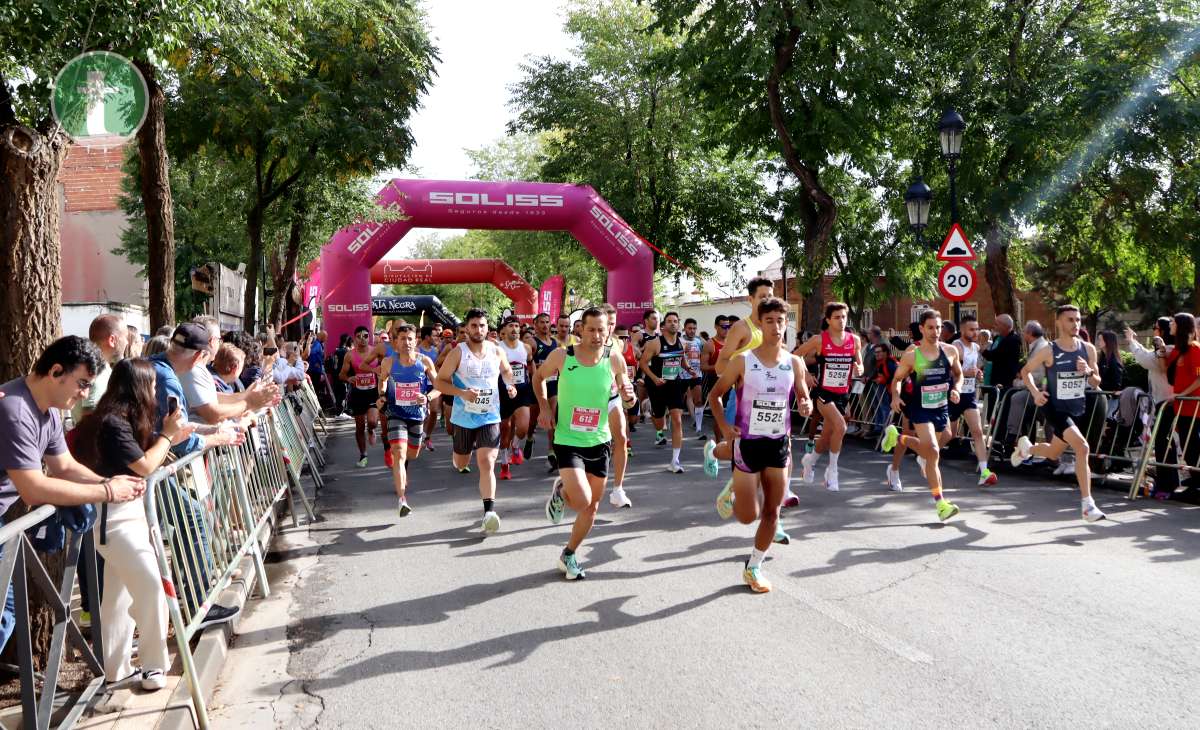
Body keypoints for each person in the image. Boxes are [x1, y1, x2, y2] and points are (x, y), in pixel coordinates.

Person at [0, 337, 148, 655]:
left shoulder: (48, 410)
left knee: (5, 616)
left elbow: (64, 466)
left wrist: (109, 480)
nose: (84, 394)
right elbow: (33, 487)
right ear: (56, 371)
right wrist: (107, 490)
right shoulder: (14, 410)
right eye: (81, 383)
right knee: (4, 617)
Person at [71, 359, 196, 689]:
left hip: (125, 517)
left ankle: (116, 668)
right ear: (140, 387)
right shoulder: (113, 422)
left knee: (117, 599)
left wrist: (174, 435)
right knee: (151, 586)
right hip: (114, 521)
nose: (157, 391)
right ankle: (154, 665)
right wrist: (168, 437)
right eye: (153, 385)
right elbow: (144, 466)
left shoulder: (120, 420)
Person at [707, 298, 811, 593]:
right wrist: (726, 429)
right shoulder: (743, 361)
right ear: (760, 324)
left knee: (773, 512)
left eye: (781, 320)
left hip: (779, 444)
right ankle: (718, 458)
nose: (777, 326)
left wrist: (805, 405)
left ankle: (754, 567)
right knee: (746, 516)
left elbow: (803, 396)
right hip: (747, 445)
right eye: (770, 321)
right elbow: (715, 395)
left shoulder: (794, 362)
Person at [537, 307, 636, 579]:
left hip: (599, 440)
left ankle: (568, 553)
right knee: (581, 501)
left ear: (609, 331)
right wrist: (544, 406)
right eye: (591, 329)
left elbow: (628, 398)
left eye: (602, 330)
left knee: (592, 507)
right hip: (568, 439)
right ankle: (563, 490)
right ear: (580, 329)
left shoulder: (615, 359)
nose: (596, 335)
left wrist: (631, 397)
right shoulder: (562, 355)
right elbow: (538, 377)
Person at [1009, 305, 1108, 522]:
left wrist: (1089, 372)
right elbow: (1025, 372)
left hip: (1077, 408)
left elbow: (1097, 381)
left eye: (1078, 320)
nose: (1076, 324)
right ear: (1059, 323)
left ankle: (1026, 449)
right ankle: (1087, 506)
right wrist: (1035, 393)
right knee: (1082, 448)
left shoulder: (1088, 349)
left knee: (1053, 453)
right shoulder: (1049, 350)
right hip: (1055, 407)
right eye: (1070, 320)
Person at [434, 309, 519, 535]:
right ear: (466, 329)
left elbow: (507, 372)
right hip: (463, 417)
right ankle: (459, 458)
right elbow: (440, 383)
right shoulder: (457, 353)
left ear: (487, 328)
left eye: (482, 325)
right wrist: (461, 393)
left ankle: (489, 512)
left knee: (487, 462)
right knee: (463, 462)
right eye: (474, 326)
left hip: (490, 415)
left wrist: (510, 386)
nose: (478, 330)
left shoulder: (496, 351)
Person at [881, 310, 964, 522]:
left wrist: (957, 389)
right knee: (933, 452)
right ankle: (941, 504)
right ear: (921, 329)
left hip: (941, 407)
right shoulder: (912, 355)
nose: (935, 332)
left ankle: (897, 437)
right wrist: (896, 396)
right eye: (930, 328)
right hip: (920, 408)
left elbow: (958, 374)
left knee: (935, 447)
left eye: (938, 328)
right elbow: (897, 379)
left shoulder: (950, 351)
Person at [795, 302, 861, 492]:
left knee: (826, 437)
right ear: (828, 320)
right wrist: (806, 374)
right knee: (841, 426)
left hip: (843, 393)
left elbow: (860, 364)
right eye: (837, 317)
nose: (841, 321)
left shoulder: (854, 340)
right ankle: (832, 471)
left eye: (843, 317)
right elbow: (796, 355)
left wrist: (859, 368)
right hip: (824, 393)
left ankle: (810, 460)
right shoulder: (820, 340)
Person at [376, 324, 439, 518]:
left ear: (416, 341)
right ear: (396, 342)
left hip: (417, 415)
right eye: (402, 339)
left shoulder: (425, 361)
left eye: (410, 339)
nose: (406, 342)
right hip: (396, 413)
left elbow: (440, 387)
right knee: (399, 452)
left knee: (412, 453)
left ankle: (403, 470)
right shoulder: (388, 362)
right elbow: (383, 381)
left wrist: (427, 397)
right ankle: (402, 500)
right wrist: (382, 393)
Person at [185, 316, 280, 425]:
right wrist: (249, 403)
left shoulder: (200, 369)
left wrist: (250, 395)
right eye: (219, 339)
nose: (220, 343)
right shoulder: (192, 369)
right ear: (211, 341)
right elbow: (212, 414)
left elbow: (216, 398)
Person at [638, 311, 697, 473]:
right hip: (656, 384)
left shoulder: (681, 343)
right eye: (670, 321)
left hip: (674, 384)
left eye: (675, 321)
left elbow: (682, 361)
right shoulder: (655, 343)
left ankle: (675, 460)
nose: (673, 323)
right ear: (663, 326)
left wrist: (689, 369)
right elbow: (642, 364)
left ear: (679, 325)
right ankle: (650, 407)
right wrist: (655, 378)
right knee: (659, 424)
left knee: (677, 420)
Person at [1125, 319, 1174, 498]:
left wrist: (1131, 341)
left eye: (1155, 328)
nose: (1153, 331)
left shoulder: (1167, 349)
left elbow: (1146, 360)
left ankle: (1168, 483)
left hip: (1168, 401)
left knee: (1164, 443)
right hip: (1163, 401)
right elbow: (1148, 357)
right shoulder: (1162, 349)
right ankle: (1167, 481)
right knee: (1163, 443)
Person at [949, 315, 998, 486]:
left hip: (969, 395)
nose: (975, 332)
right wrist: (965, 373)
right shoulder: (956, 347)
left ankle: (984, 471)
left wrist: (978, 374)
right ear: (962, 330)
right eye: (972, 329)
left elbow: (974, 370)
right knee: (949, 434)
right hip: (955, 394)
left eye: (977, 329)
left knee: (977, 432)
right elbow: (949, 371)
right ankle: (927, 456)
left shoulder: (976, 347)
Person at [1157, 313, 1200, 504]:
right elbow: (1166, 371)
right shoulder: (1176, 351)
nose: (1170, 325)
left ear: (1181, 326)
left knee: (1192, 447)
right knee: (1186, 445)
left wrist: (1181, 394)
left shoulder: (1195, 350)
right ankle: (1195, 480)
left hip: (1193, 407)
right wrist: (1160, 352)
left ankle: (1196, 483)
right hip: (1181, 407)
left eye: (1173, 323)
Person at [600, 303, 633, 508]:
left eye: (612, 323)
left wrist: (627, 391)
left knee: (621, 438)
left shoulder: (617, 344)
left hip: (612, 398)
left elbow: (622, 374)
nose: (610, 328)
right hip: (589, 403)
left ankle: (618, 490)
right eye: (607, 323)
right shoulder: (580, 344)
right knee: (593, 448)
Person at [71, 314, 128, 424]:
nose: (127, 342)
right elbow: (90, 417)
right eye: (125, 337)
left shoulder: (94, 366)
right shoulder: (97, 371)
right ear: (112, 340)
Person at [496, 317, 534, 481]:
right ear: (504, 330)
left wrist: (534, 381)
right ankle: (504, 463)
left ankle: (516, 445)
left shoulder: (526, 347)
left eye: (517, 326)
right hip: (503, 392)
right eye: (511, 326)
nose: (514, 329)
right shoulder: (497, 348)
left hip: (522, 390)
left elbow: (531, 365)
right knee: (505, 430)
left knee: (524, 427)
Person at [340, 326, 381, 467]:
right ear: (355, 338)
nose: (362, 339)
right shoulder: (349, 355)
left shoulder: (375, 352)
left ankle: (371, 430)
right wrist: (348, 378)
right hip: (357, 393)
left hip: (373, 392)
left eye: (365, 336)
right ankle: (363, 455)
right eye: (359, 336)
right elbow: (342, 374)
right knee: (359, 426)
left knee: (372, 421)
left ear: (369, 337)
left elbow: (386, 366)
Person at [525, 313, 558, 465]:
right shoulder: (531, 342)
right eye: (542, 322)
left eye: (547, 322)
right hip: (537, 385)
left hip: (552, 385)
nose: (545, 325)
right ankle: (530, 437)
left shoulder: (555, 343)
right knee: (532, 420)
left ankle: (551, 451)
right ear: (535, 324)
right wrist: (537, 368)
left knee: (552, 416)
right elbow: (526, 363)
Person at [981, 313, 1022, 393]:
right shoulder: (998, 338)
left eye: (996, 324)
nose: (994, 326)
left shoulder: (1012, 340)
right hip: (993, 376)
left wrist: (982, 350)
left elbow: (995, 355)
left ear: (1004, 326)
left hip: (1004, 380)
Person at [418, 326, 442, 448]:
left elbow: (437, 367)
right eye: (434, 335)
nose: (436, 338)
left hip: (433, 384)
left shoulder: (435, 350)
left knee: (433, 411)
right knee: (422, 413)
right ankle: (418, 435)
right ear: (427, 337)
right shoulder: (417, 350)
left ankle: (427, 437)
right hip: (420, 385)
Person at [680, 317, 705, 435]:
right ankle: (674, 425)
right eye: (689, 328)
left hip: (696, 374)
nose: (692, 331)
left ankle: (699, 428)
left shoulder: (699, 341)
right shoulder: (679, 340)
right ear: (684, 328)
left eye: (694, 328)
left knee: (699, 400)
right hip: (682, 375)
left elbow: (705, 352)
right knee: (678, 403)